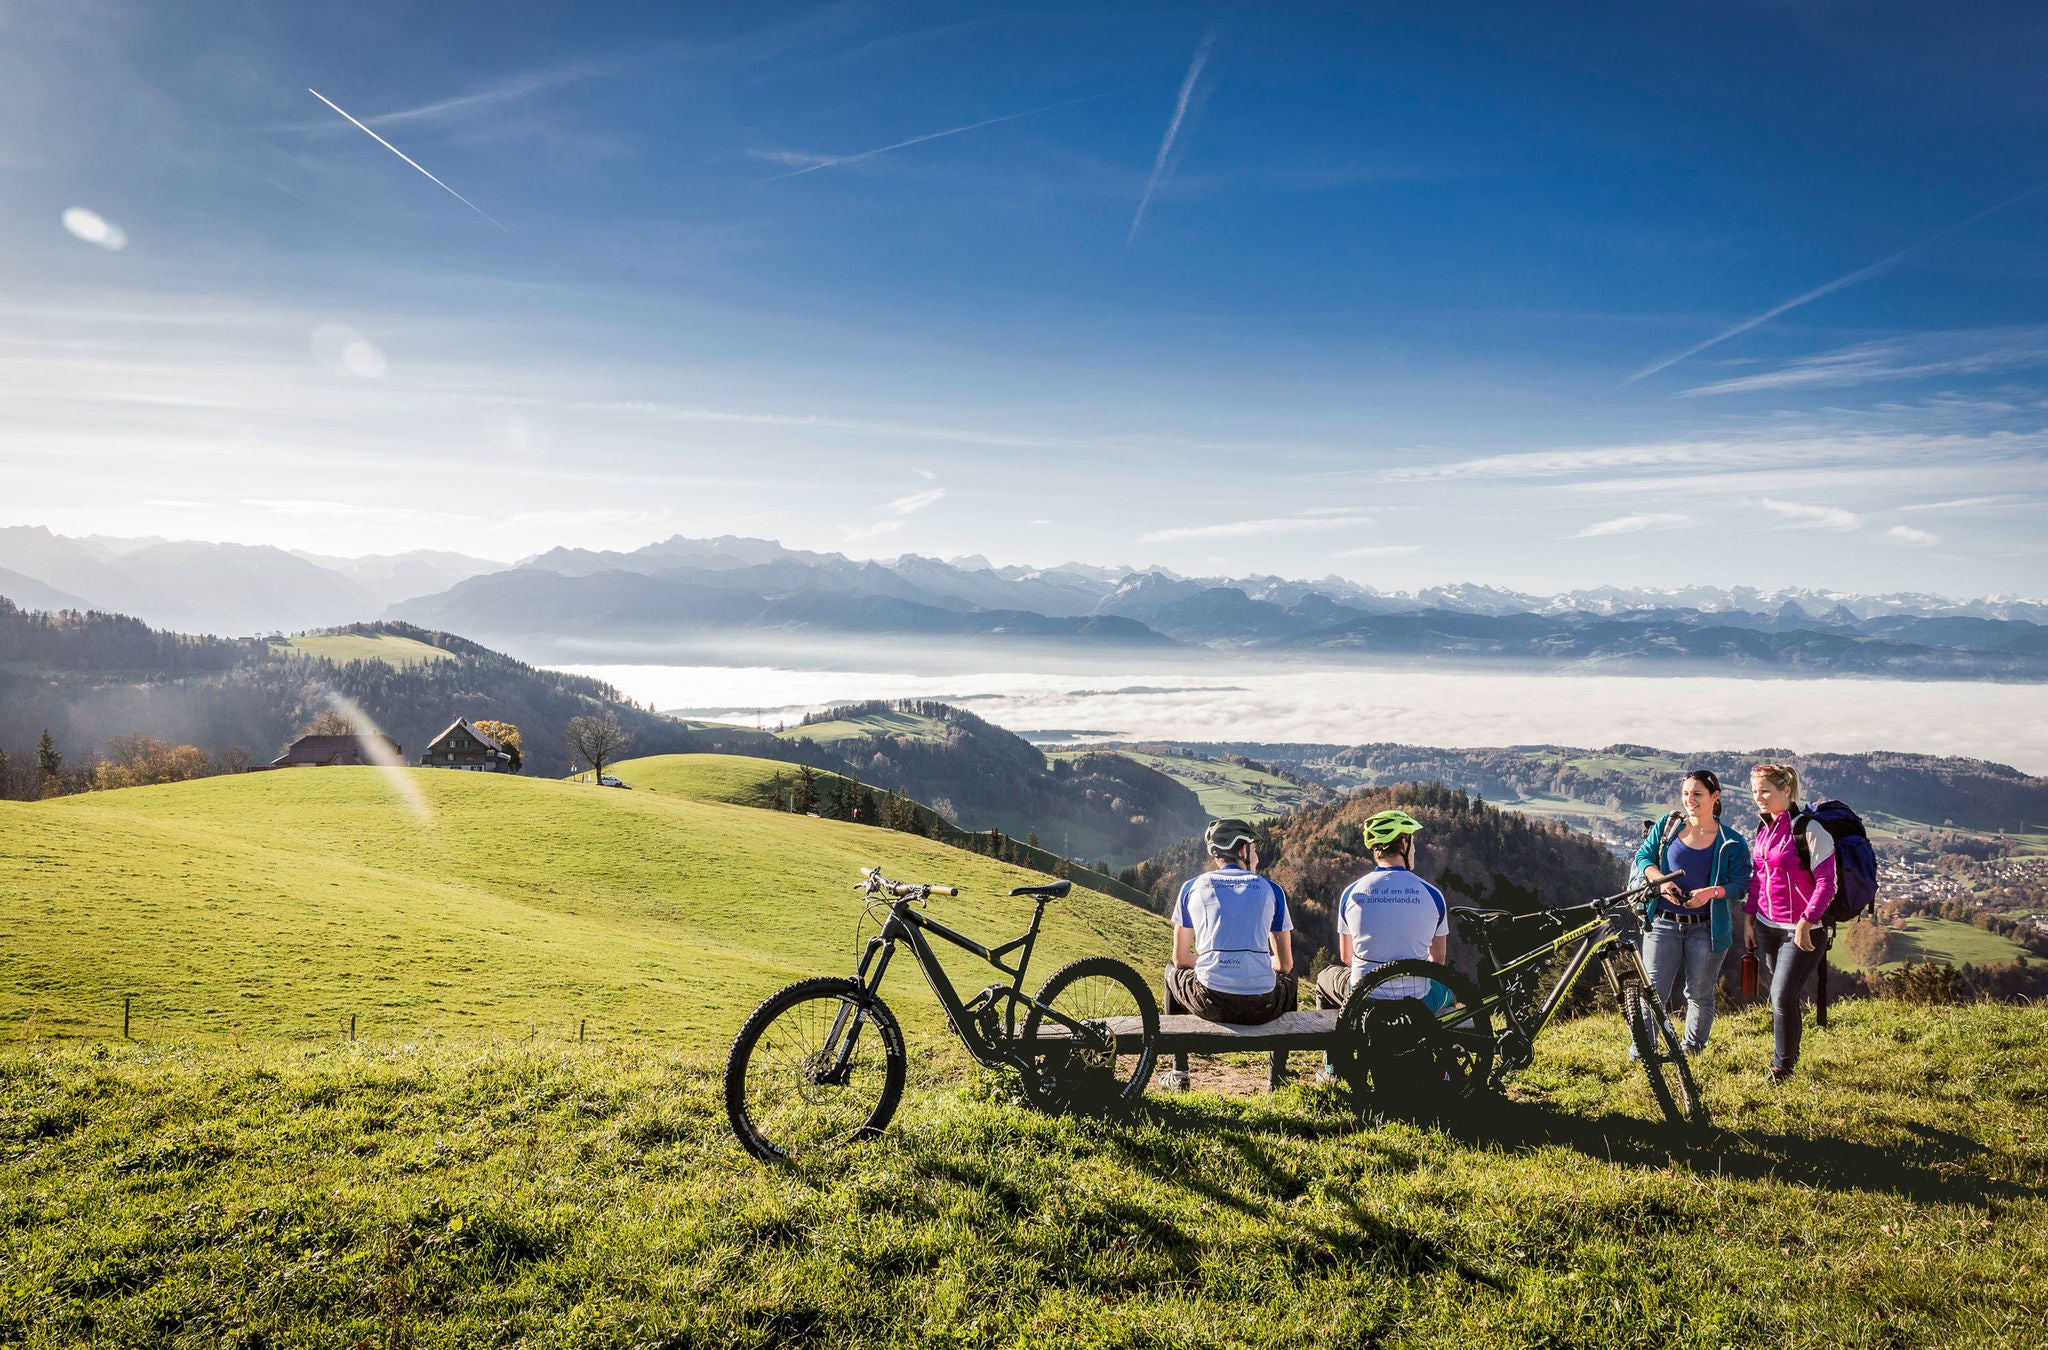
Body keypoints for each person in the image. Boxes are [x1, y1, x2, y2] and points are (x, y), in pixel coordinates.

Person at [1629, 769, 1751, 1056]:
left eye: (1697, 794)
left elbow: (1741, 884)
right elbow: (1643, 856)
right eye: (1686, 794)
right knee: (1653, 992)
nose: (1689, 800)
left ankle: (1691, 1050)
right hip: (1663, 922)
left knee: (1698, 993)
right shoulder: (1668, 826)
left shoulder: (1731, 842)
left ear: (1715, 797)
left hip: (1706, 926)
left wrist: (1712, 892)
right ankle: (1644, 1050)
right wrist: (1661, 879)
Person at [1747, 763, 1835, 1082]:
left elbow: (1827, 883)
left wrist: (1805, 922)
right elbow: (1759, 879)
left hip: (1802, 931)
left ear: (1786, 791)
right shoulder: (1764, 828)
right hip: (1765, 927)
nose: (1759, 797)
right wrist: (1749, 918)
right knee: (1783, 995)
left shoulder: (1808, 830)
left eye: (1765, 791)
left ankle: (1782, 1067)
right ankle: (1785, 1057)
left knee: (1782, 995)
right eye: (1755, 791)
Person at [1316, 809, 1452, 1015]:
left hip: (1363, 1000)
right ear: (1405, 844)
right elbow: (1438, 961)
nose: (1414, 850)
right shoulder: (1432, 895)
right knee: (1447, 990)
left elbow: (1346, 956)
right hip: (1416, 1003)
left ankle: (1335, 1044)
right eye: (1413, 844)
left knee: (1326, 976)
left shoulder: (1351, 893)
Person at [1167, 818, 1297, 1027]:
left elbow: (1180, 959)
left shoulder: (1192, 888)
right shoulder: (1271, 890)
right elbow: (1284, 965)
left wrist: (1215, 962)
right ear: (1243, 851)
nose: (1256, 856)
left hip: (1209, 1001)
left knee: (1172, 969)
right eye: (1253, 849)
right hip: (1262, 1006)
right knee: (1291, 975)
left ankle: (1176, 1052)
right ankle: (1282, 1052)